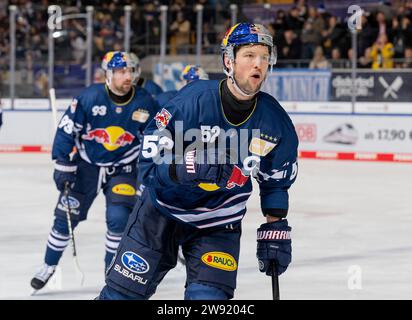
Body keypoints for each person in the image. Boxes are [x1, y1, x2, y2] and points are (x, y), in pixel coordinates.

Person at [98, 23, 298, 300]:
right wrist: (188, 166)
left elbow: (276, 181)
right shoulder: (192, 100)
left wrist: (275, 227)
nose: (259, 64)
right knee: (120, 297)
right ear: (229, 60)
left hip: (219, 221)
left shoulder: (275, 122)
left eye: (264, 57)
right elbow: (148, 166)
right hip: (161, 212)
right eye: (250, 55)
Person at [30, 51, 159, 291]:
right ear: (108, 75)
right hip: (86, 167)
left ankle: (112, 274)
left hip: (124, 168)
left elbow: (153, 141)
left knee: (120, 220)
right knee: (65, 217)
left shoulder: (145, 101)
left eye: (130, 71)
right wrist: (62, 164)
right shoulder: (89, 97)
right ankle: (48, 266)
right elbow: (66, 130)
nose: (127, 76)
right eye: (121, 71)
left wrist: (147, 174)